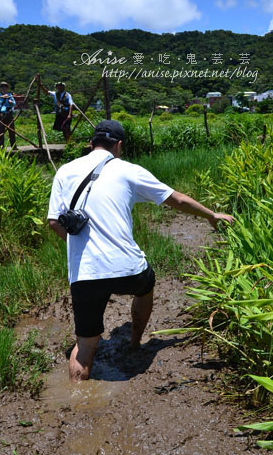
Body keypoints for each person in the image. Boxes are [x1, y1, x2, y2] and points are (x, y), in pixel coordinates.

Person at [47, 119, 234, 382]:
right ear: (119, 145)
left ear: (91, 144)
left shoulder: (64, 171)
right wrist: (211, 215)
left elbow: (54, 221)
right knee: (145, 286)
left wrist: (81, 248)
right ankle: (136, 342)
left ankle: (78, 398)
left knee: (85, 346)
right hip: (127, 268)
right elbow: (176, 199)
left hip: (85, 273)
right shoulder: (129, 170)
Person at [0, 81, 17, 149]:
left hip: (9, 114)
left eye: (5, 87)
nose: (3, 88)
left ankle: (13, 146)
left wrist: (11, 102)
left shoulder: (10, 95)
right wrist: (2, 97)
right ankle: (1, 147)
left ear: (7, 88)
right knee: (1, 131)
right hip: (1, 115)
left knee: (11, 131)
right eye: (2, 87)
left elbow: (14, 103)